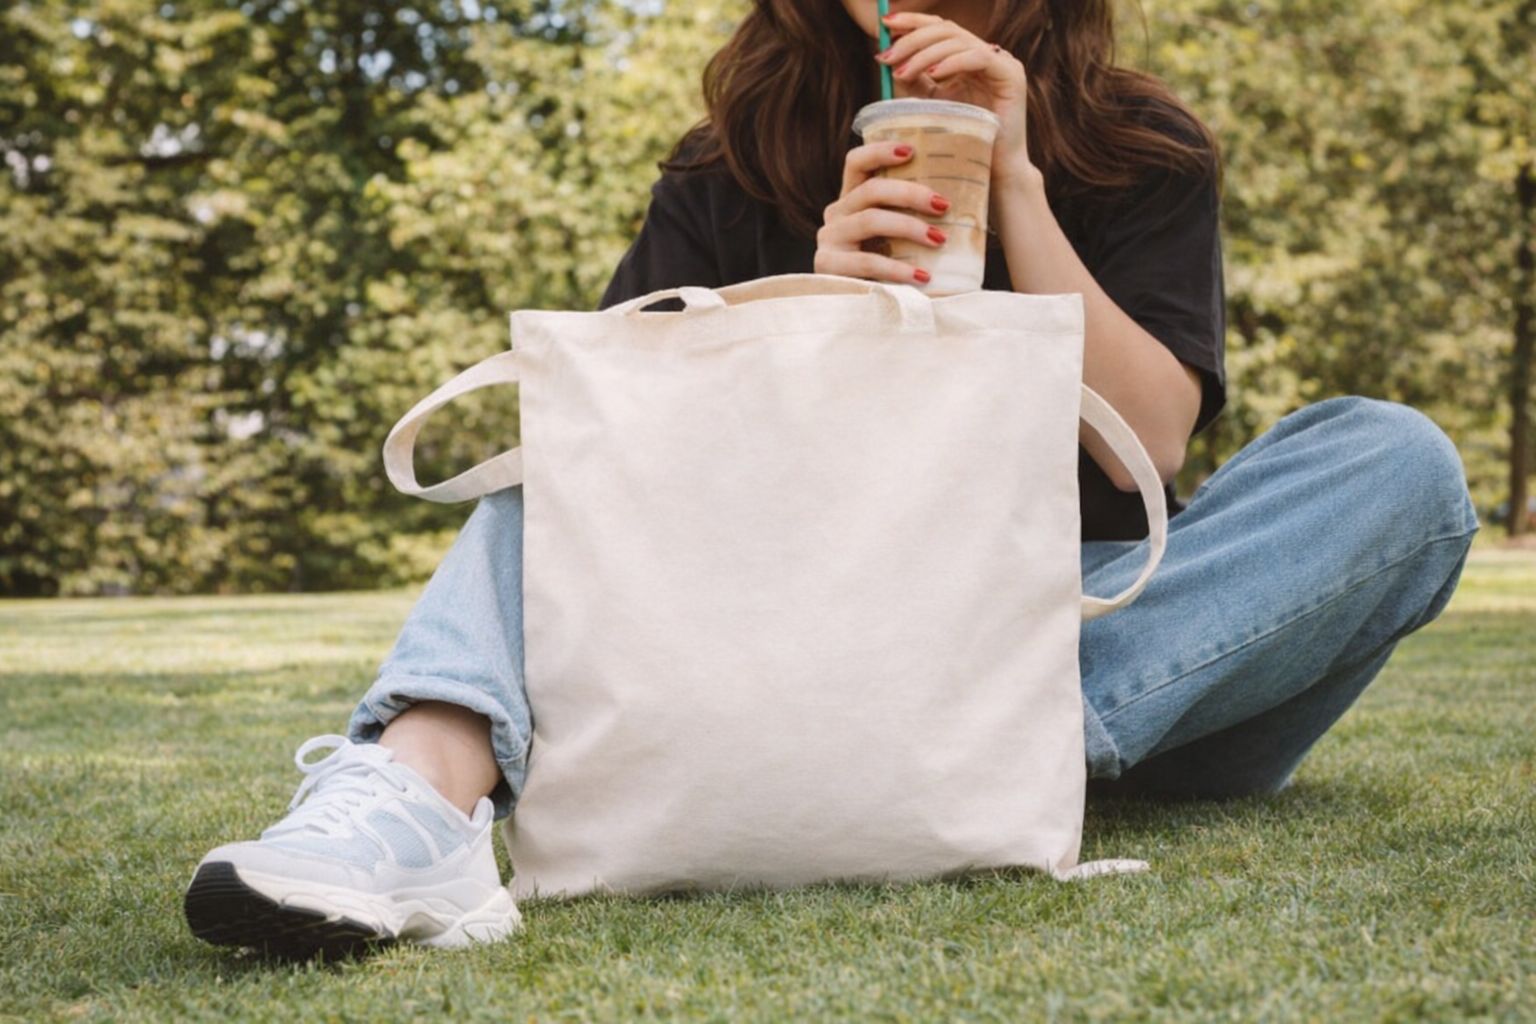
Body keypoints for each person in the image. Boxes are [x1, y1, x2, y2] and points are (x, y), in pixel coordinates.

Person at [183, 0, 1481, 957]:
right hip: (812, 630)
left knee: (1393, 461)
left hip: (1101, 648)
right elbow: (623, 458)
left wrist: (1016, 181)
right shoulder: (723, 161)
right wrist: (807, 296)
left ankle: (948, 761)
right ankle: (410, 799)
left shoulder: (1140, 148)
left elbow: (1149, 448)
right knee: (568, 461)